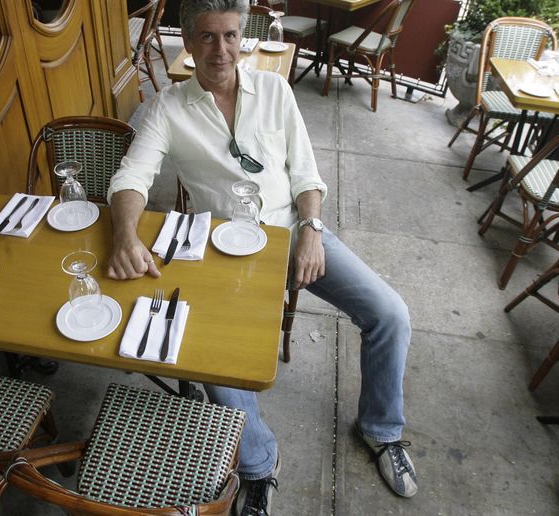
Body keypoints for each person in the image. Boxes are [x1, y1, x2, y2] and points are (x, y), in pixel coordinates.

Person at [106, 0, 418, 513]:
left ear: (243, 38)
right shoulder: (168, 107)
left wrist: (313, 230)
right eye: (207, 37)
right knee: (211, 357)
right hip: (226, 252)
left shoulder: (274, 90)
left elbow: (306, 173)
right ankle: (257, 464)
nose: (221, 49)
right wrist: (123, 234)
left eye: (230, 35)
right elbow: (132, 178)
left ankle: (382, 429)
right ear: (187, 40)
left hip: (295, 232)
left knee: (390, 314)